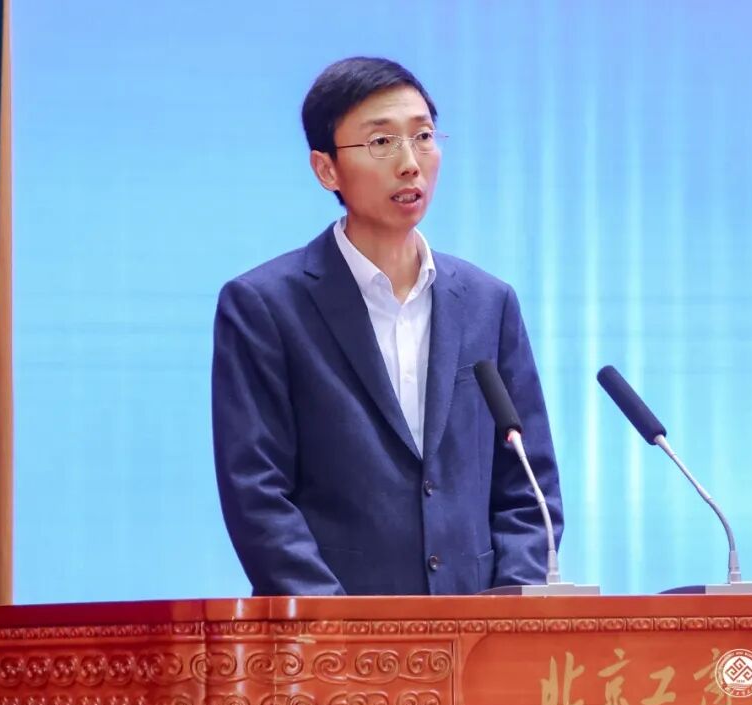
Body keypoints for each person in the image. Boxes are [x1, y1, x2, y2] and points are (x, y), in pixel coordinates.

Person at [211, 56, 561, 596]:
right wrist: (343, 628)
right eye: (381, 142)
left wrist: (507, 619)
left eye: (423, 136)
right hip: (333, 637)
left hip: (480, 633)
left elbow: (528, 489)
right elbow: (257, 494)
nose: (410, 163)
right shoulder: (264, 307)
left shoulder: (488, 304)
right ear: (326, 169)